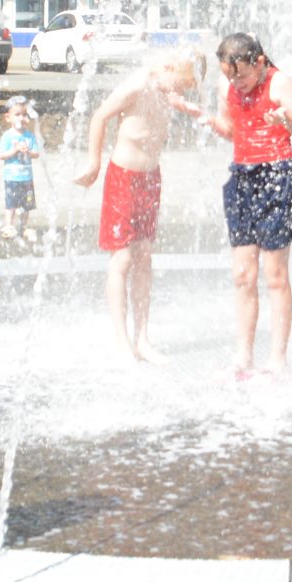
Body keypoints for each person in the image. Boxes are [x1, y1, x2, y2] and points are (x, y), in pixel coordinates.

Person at [75, 54, 204, 360]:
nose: (180, 92)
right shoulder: (136, 85)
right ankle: (122, 341)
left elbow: (171, 102)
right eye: (181, 85)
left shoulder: (166, 89)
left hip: (150, 178)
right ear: (168, 67)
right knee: (122, 259)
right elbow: (99, 117)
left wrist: (185, 106)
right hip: (123, 178)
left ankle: (142, 339)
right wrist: (94, 162)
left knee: (145, 257)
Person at [205, 32, 292, 377]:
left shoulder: (279, 84)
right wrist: (210, 122)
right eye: (229, 77)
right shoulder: (227, 86)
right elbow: (232, 130)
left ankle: (277, 360)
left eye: (241, 76)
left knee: (275, 276)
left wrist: (286, 121)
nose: (235, 83)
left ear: (260, 62)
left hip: (276, 177)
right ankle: (243, 358)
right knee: (242, 275)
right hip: (242, 177)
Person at [0, 96, 42, 240]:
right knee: (11, 204)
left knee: (26, 204)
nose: (21, 118)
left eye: (24, 114)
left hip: (26, 177)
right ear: (8, 118)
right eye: (17, 114)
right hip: (12, 177)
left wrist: (28, 152)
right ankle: (8, 225)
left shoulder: (29, 136)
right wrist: (15, 150)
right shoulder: (7, 136)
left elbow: (36, 154)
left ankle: (23, 227)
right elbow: (1, 155)